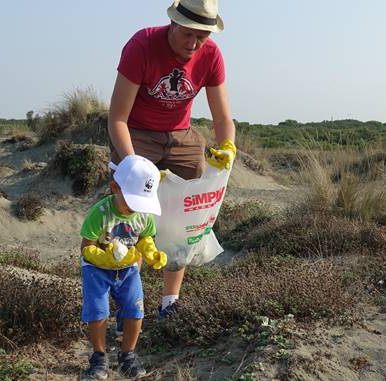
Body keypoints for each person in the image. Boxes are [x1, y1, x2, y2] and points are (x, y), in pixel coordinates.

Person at [107, 0, 236, 319]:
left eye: (202, 37)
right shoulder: (143, 45)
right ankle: (128, 303)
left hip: (182, 135)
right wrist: (134, 166)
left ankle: (169, 301)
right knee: (131, 220)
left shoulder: (211, 55)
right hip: (137, 133)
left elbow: (222, 117)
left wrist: (227, 148)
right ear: (173, 23)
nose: (193, 44)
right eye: (188, 34)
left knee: (183, 223)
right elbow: (117, 119)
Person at [79, 154, 168, 379]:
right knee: (98, 310)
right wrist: (103, 258)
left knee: (135, 309)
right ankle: (98, 358)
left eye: (141, 203)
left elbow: (144, 238)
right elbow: (86, 246)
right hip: (96, 270)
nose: (135, 209)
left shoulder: (143, 215)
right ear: (114, 187)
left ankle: (127, 356)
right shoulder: (99, 213)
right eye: (132, 201)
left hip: (129, 269)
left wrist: (151, 253)